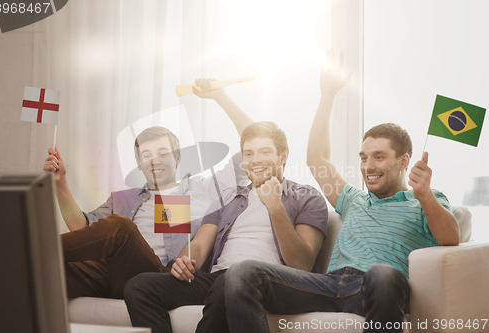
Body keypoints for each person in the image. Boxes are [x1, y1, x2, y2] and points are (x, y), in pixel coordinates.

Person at [219, 50, 460, 333]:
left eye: (379, 157)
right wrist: (327, 96)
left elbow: (450, 237)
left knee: (383, 274)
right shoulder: (354, 198)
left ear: (404, 161)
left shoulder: (424, 200)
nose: (368, 166)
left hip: (375, 287)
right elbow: (317, 159)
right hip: (329, 285)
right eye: (363, 157)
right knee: (241, 273)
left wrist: (425, 195)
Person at [43, 78, 253, 299]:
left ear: (178, 157)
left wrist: (221, 97)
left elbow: (254, 144)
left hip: (164, 278)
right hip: (115, 275)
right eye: (146, 155)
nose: (154, 161)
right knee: (47, 272)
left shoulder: (205, 188)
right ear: (139, 164)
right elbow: (82, 230)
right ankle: (28, 258)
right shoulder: (122, 199)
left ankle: (33, 247)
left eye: (163, 153)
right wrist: (60, 182)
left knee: (121, 228)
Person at [124, 121, 328, 333]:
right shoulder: (227, 198)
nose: (255, 160)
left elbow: (301, 264)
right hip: (220, 279)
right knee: (139, 286)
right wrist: (184, 261)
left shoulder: (307, 196)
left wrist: (275, 207)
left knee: (233, 279)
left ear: (283, 156)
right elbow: (200, 246)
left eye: (264, 151)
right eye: (248, 154)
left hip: (272, 281)